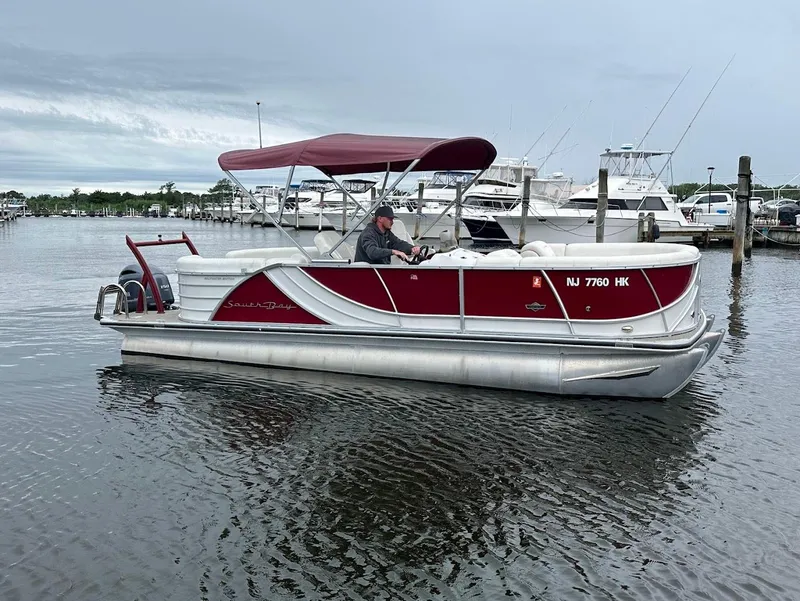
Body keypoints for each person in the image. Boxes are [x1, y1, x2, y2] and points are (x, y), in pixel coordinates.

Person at [354, 205, 421, 265]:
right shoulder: (368, 233)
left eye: (392, 219)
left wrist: (412, 248)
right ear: (380, 219)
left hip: (381, 271)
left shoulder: (387, 233)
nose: (392, 222)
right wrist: (393, 252)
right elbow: (372, 252)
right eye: (390, 219)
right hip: (367, 273)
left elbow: (398, 243)